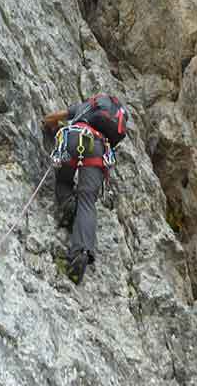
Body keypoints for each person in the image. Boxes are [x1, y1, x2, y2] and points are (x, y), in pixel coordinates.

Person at [43, 94, 128, 284]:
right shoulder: (110, 124)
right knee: (87, 201)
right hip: (98, 150)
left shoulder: (85, 107)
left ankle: (67, 203)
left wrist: (49, 125)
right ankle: (80, 251)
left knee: (63, 181)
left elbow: (50, 118)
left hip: (73, 138)